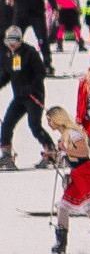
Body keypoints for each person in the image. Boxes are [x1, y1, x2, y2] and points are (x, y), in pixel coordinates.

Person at [2, 25, 54, 169]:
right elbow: (6, 75)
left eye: (14, 41)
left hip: (33, 96)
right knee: (7, 124)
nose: (12, 45)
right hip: (19, 97)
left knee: (34, 124)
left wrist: (31, 86)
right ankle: (6, 155)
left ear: (20, 40)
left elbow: (41, 73)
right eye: (8, 42)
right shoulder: (7, 55)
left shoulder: (30, 52)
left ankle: (50, 150)